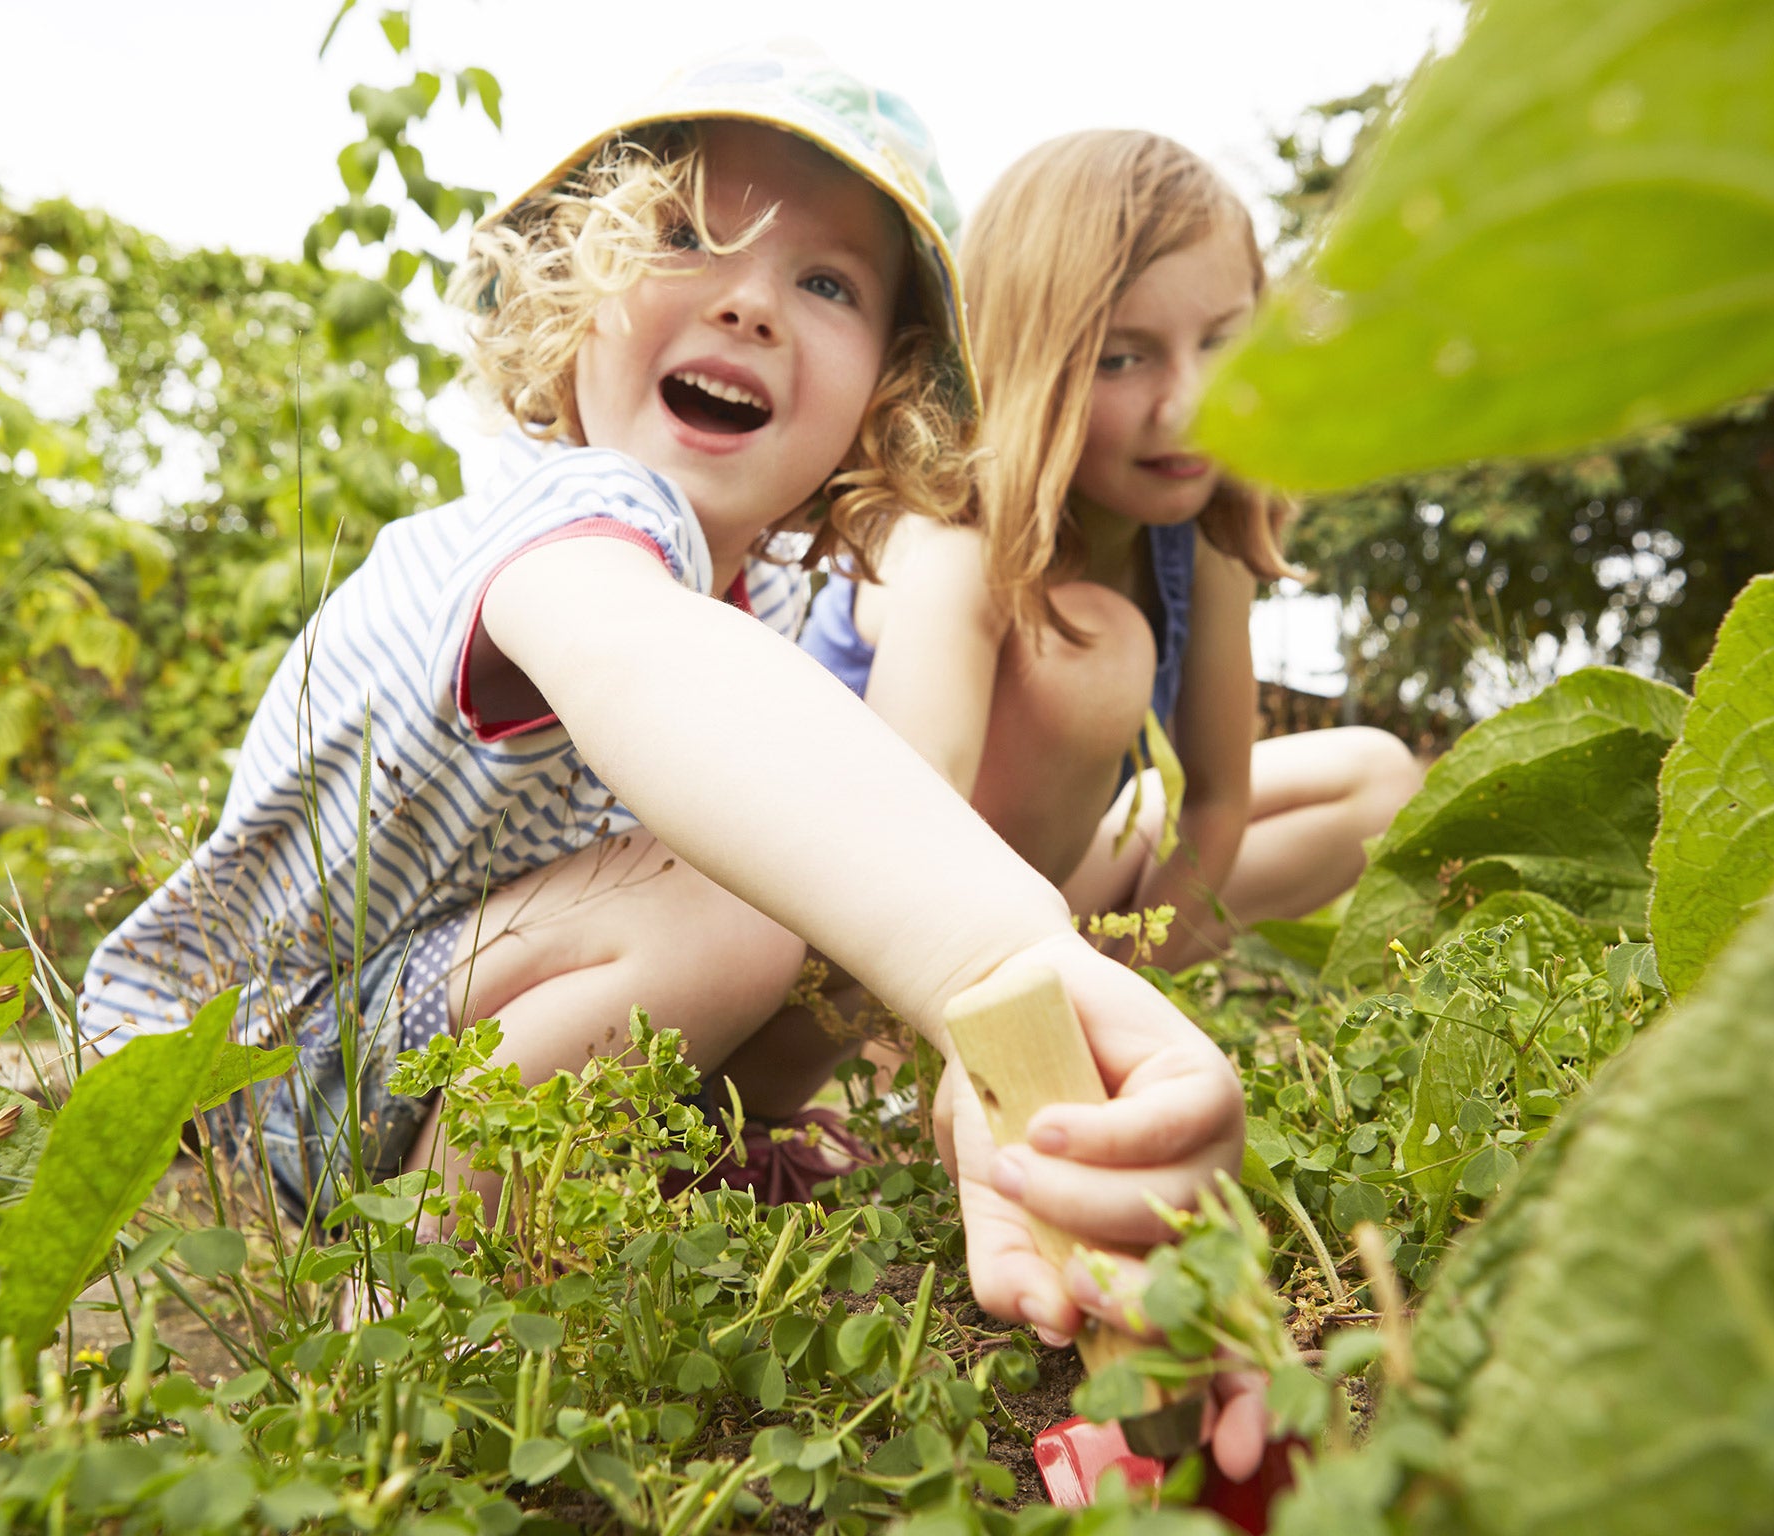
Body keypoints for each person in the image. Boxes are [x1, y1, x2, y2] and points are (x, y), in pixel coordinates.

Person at [76, 47, 1241, 1340]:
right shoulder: (581, 515)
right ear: (570, 296)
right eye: (687, 235)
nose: (749, 303)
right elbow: (630, 650)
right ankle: (414, 1308)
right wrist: (992, 960)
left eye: (825, 282)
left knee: (786, 871)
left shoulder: (768, 610)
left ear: (882, 400)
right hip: (256, 1067)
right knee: (742, 906)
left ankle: (636, 1171)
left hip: (390, 1047)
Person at [800, 130, 1422, 972]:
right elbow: (911, 842)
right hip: (837, 933)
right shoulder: (948, 549)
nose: (1188, 404)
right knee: (1095, 647)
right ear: (1030, 370)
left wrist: (1132, 981)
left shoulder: (1200, 539)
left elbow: (1216, 802)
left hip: (1028, 893)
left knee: (1377, 780)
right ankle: (927, 1037)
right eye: (1124, 359)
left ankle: (1076, 992)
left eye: (1220, 342)